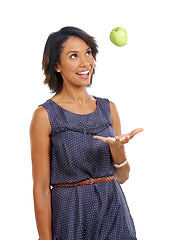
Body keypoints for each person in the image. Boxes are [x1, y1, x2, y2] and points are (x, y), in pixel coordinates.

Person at [30, 26, 143, 240]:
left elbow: (122, 176)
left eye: (88, 53)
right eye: (74, 56)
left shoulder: (108, 108)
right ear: (57, 65)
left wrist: (118, 151)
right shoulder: (44, 115)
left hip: (113, 211)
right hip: (70, 214)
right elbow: (41, 188)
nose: (85, 63)